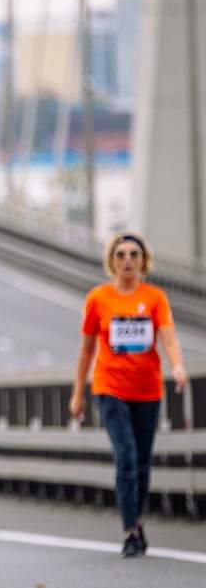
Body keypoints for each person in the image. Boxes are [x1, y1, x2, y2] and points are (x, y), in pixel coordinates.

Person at [69, 233, 186, 558]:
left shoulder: (155, 298)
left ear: (144, 260)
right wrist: (78, 393)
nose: (127, 261)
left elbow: (169, 338)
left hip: (148, 390)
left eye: (134, 254)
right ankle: (130, 530)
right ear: (112, 261)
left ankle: (137, 519)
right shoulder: (98, 299)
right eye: (120, 255)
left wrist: (177, 366)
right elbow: (86, 350)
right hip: (110, 388)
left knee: (143, 461)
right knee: (127, 457)